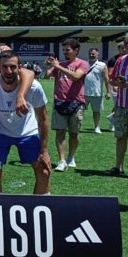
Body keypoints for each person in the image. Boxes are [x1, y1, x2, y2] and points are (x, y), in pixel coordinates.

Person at [0, 50, 51, 194]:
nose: (8, 71)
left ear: (20, 67)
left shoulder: (34, 88)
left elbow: (43, 119)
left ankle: (39, 210)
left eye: (12, 67)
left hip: (27, 132)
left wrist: (44, 150)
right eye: (4, 67)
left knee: (44, 171)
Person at [44, 38, 89, 171]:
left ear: (76, 50)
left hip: (76, 102)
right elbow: (46, 76)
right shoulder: (60, 64)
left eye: (68, 50)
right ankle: (62, 160)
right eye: (63, 50)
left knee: (74, 134)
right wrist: (48, 66)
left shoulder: (82, 63)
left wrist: (58, 67)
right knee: (60, 132)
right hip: (60, 101)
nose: (65, 52)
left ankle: (71, 157)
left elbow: (76, 77)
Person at [105, 33, 128, 176]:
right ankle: (118, 167)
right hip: (122, 105)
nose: (124, 45)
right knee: (120, 136)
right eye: (124, 42)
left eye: (127, 42)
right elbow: (112, 80)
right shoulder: (121, 60)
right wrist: (119, 83)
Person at [84, 47, 112, 133]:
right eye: (90, 53)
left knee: (96, 111)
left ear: (97, 54)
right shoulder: (84, 64)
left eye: (93, 53)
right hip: (83, 92)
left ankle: (97, 127)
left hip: (97, 93)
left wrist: (108, 91)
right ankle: (76, 127)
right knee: (79, 111)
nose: (91, 55)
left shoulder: (102, 65)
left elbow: (106, 79)